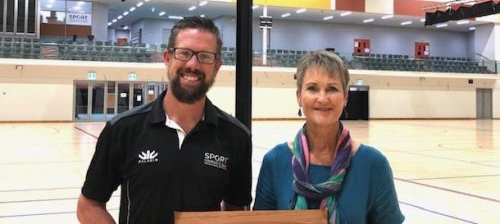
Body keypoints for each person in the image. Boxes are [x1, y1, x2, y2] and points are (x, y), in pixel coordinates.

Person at [77, 16, 252, 223]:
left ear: (217, 66)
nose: (193, 64)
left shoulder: (236, 137)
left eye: (205, 56)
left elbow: (236, 211)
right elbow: (89, 206)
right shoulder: (123, 129)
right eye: (184, 53)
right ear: (167, 58)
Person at [253, 50, 404, 224]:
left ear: (346, 97)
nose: (322, 98)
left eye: (332, 89)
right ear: (299, 97)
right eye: (312, 88)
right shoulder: (275, 161)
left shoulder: (373, 164)